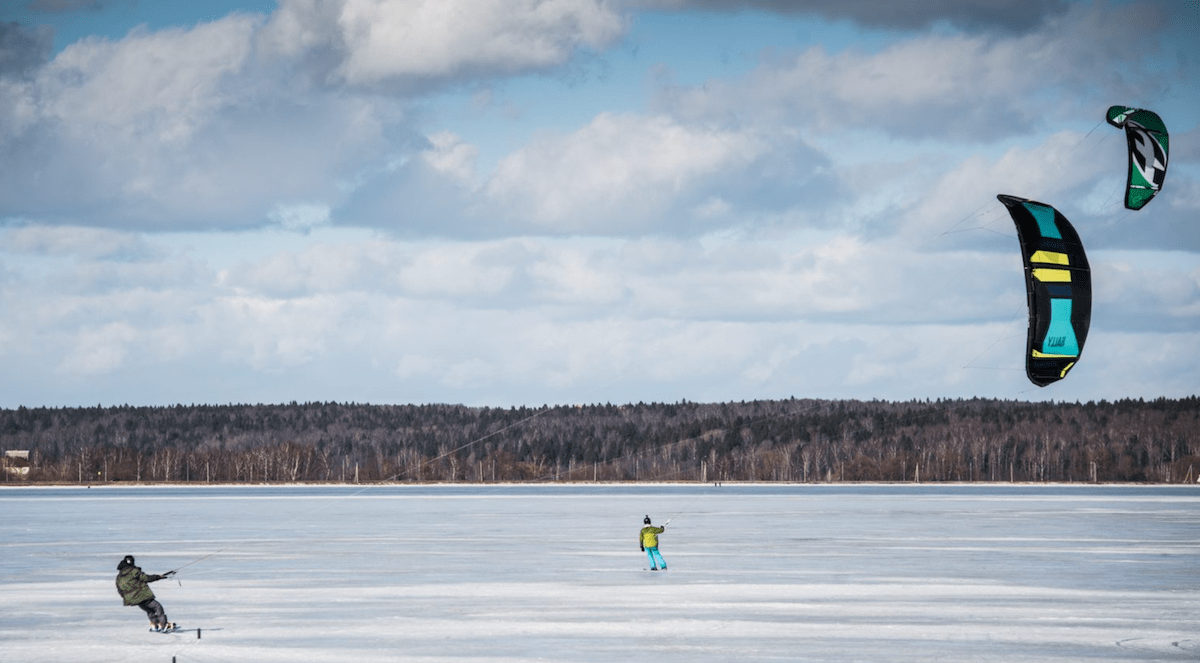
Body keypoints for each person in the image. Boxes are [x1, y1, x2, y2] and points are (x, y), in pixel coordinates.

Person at [115, 555, 176, 631]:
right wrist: (158, 577)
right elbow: (147, 578)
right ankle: (163, 625)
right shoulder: (134, 571)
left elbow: (119, 589)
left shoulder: (119, 576)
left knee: (149, 610)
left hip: (131, 599)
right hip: (141, 595)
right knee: (157, 606)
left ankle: (154, 625)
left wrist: (127, 596)